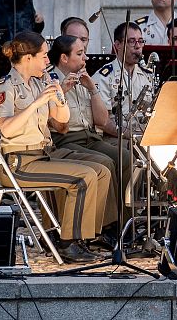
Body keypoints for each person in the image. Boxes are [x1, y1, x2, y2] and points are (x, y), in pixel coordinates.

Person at [0, 31, 111, 263]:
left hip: (43, 153)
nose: (47, 60)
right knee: (83, 177)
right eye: (43, 56)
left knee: (101, 171)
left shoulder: (39, 82)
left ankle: (84, 237)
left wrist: (58, 96)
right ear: (28, 58)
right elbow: (7, 129)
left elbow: (61, 120)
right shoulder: (4, 88)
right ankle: (68, 243)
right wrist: (37, 103)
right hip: (19, 161)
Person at [47, 36, 122, 230]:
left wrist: (92, 90)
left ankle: (123, 220)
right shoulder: (48, 79)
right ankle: (106, 226)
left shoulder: (83, 77)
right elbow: (49, 120)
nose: (86, 58)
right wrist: (61, 91)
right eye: (80, 54)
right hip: (64, 138)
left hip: (90, 136)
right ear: (64, 58)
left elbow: (102, 120)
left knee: (126, 158)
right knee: (104, 162)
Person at [93, 22, 154, 137]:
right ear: (117, 45)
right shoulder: (103, 77)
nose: (137, 46)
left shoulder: (147, 76)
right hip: (115, 138)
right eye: (131, 41)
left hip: (143, 136)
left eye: (140, 41)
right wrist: (128, 135)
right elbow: (103, 121)